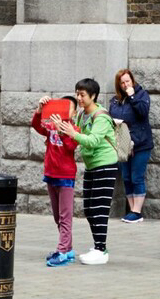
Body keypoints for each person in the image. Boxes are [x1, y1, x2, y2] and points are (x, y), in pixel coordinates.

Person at [50, 78, 120, 265]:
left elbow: (93, 140)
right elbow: (75, 137)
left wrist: (72, 134)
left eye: (82, 95)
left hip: (105, 165)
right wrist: (64, 131)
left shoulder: (102, 116)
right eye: (77, 94)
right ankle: (98, 245)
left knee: (99, 209)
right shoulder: (82, 115)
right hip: (92, 166)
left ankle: (101, 249)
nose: (78, 98)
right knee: (89, 208)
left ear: (93, 96)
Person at [32, 95, 80, 266]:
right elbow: (37, 126)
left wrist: (62, 130)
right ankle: (68, 249)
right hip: (51, 174)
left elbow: (71, 146)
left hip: (66, 177)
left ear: (74, 113)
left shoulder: (75, 129)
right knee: (57, 216)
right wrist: (40, 109)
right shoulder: (50, 126)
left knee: (65, 216)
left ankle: (61, 250)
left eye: (68, 107)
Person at [109, 69, 154, 223]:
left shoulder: (141, 95)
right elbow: (112, 115)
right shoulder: (115, 100)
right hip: (123, 143)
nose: (125, 84)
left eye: (127, 81)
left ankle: (137, 211)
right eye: (122, 82)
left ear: (132, 81)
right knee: (126, 177)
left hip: (140, 143)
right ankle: (131, 209)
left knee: (137, 176)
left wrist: (132, 96)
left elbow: (143, 112)